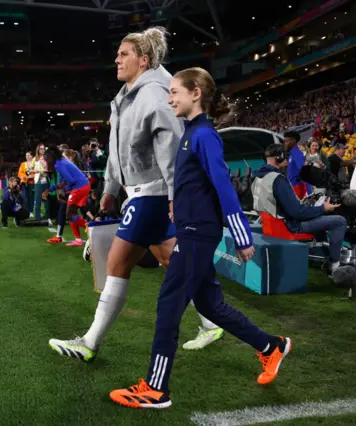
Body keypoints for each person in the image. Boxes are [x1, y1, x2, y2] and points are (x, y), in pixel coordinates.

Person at [109, 67, 292, 410]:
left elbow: (223, 185)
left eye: (175, 91)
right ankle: (271, 347)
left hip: (196, 235)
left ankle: (155, 388)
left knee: (169, 305)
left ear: (195, 94)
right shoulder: (192, 132)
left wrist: (241, 235)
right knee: (209, 305)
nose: (169, 97)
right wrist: (178, 204)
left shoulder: (205, 135)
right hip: (191, 229)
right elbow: (195, 182)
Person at [48, 28, 223, 362]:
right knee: (172, 258)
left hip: (153, 194)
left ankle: (89, 342)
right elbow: (117, 151)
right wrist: (111, 189)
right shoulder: (127, 96)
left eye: (123, 53)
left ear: (144, 59)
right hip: (142, 193)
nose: (116, 58)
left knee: (115, 263)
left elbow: (171, 150)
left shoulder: (154, 95)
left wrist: (175, 196)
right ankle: (213, 323)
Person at [254, 143, 346, 275]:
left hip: (272, 224)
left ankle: (322, 253)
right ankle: (335, 266)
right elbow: (297, 212)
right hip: (290, 226)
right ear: (278, 157)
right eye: (285, 157)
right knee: (340, 221)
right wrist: (323, 208)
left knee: (317, 215)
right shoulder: (278, 179)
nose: (287, 161)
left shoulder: (258, 177)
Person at [42, 146, 90, 246]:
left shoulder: (58, 165)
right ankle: (78, 239)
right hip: (83, 185)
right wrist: (50, 189)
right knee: (71, 213)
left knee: (69, 213)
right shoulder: (61, 161)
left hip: (79, 187)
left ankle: (90, 229)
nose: (46, 162)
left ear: (51, 157)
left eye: (46, 159)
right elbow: (63, 181)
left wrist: (66, 191)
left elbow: (70, 181)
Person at [284, 131, 306, 199]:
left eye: (286, 141)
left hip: (296, 187)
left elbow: (302, 171)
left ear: (293, 141)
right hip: (293, 186)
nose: (285, 143)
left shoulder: (296, 153)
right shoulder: (292, 153)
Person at [33, 143, 52, 225]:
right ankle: (37, 217)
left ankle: (47, 216)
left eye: (43, 148)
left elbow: (50, 169)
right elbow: (30, 169)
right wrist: (34, 171)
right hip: (38, 180)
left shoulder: (47, 158)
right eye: (41, 149)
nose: (42, 150)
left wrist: (43, 171)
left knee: (46, 198)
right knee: (37, 199)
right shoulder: (35, 159)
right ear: (38, 149)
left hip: (45, 179)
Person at [17, 151, 35, 216]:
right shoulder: (23, 164)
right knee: (24, 197)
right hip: (24, 183)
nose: (27, 157)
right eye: (26, 155)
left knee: (31, 197)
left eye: (28, 155)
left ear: (32, 156)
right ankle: (25, 210)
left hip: (32, 183)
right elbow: (19, 173)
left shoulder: (35, 164)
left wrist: (32, 176)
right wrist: (26, 177)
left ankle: (30, 211)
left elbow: (37, 172)